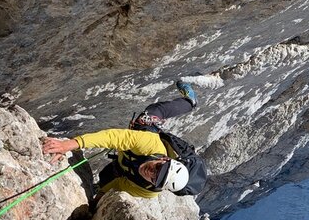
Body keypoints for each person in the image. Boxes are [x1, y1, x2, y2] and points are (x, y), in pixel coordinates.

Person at [42, 81, 198, 200]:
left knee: (109, 175)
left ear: (158, 186)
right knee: (152, 114)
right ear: (164, 159)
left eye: (156, 178)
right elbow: (112, 137)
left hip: (125, 164)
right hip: (143, 135)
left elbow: (120, 184)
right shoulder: (150, 144)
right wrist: (68, 145)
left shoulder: (148, 190)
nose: (151, 172)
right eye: (158, 168)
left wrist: (98, 198)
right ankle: (189, 102)